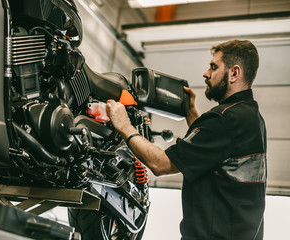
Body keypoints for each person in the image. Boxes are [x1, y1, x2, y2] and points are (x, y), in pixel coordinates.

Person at [106, 39, 267, 240]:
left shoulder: (225, 119)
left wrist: (124, 126)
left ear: (234, 73)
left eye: (213, 67)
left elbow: (161, 164)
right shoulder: (252, 117)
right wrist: (191, 112)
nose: (206, 74)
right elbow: (212, 151)